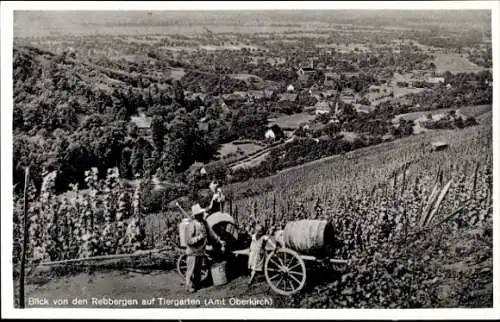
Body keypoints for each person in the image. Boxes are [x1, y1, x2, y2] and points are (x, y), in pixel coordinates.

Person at [185, 203, 226, 293]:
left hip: (201, 250)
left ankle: (197, 284)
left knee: (198, 270)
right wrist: (199, 237)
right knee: (191, 269)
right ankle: (189, 286)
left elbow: (212, 234)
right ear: (196, 215)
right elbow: (188, 241)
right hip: (192, 251)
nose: (203, 214)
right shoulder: (191, 225)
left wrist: (219, 240)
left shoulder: (204, 223)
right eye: (200, 213)